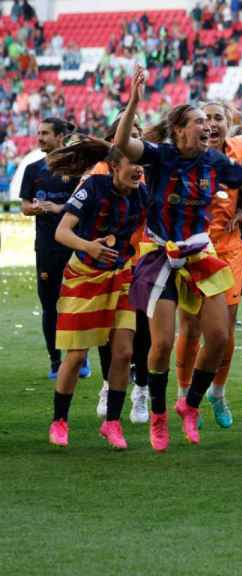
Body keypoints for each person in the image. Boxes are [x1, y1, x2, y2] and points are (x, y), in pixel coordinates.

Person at [115, 66, 242, 451]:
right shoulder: (161, 156)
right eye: (197, 122)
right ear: (178, 130)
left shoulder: (216, 161)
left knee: (221, 337)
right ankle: (158, 416)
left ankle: (189, 405)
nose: (206, 127)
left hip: (198, 252)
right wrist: (133, 103)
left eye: (209, 122)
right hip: (161, 253)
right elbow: (125, 143)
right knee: (159, 345)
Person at [48, 147, 145, 449]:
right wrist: (88, 246)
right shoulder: (93, 186)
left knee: (124, 353)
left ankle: (112, 423)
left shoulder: (143, 194)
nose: (140, 170)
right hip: (84, 276)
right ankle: (60, 421)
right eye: (134, 164)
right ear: (115, 166)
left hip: (121, 276)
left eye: (143, 165)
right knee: (76, 356)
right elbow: (62, 232)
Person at [20, 118, 92, 381]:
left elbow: (86, 203)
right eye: (38, 133)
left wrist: (60, 208)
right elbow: (25, 206)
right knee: (50, 305)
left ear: (60, 137)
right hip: (47, 248)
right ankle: (55, 361)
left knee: (79, 303)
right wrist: (35, 208)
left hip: (75, 245)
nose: (40, 138)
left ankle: (81, 357)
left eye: (45, 134)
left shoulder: (77, 169)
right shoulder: (32, 169)